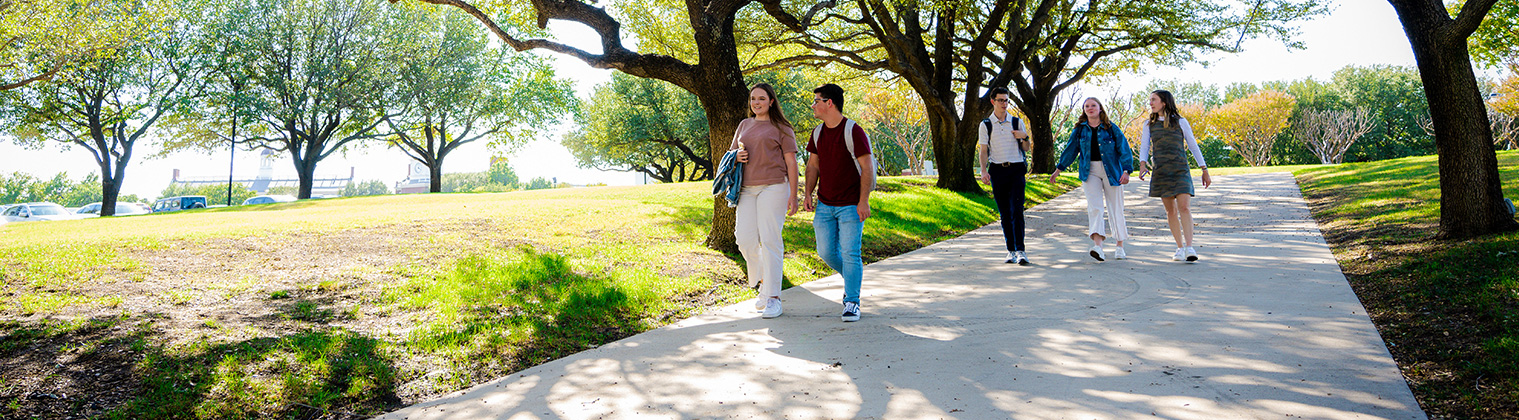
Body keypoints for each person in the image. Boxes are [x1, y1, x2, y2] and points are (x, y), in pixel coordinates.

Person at [803, 83, 871, 322]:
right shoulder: (818, 133)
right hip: (824, 205)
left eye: (816, 101)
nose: (813, 105)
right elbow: (813, 165)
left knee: (851, 253)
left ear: (828, 103)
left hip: (851, 205)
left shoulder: (854, 131)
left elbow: (867, 168)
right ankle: (854, 277)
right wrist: (808, 193)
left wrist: (864, 201)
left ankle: (852, 301)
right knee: (826, 252)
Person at [732, 83, 800, 319]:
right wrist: (736, 156)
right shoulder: (744, 125)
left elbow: (792, 163)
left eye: (761, 98)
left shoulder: (782, 128)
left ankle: (773, 297)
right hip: (747, 189)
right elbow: (732, 154)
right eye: (753, 99)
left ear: (771, 101)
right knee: (744, 239)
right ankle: (764, 280)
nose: (756, 103)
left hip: (775, 186)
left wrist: (795, 194)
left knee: (771, 240)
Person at [1050, 97, 1134, 261]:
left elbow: (1124, 149)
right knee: (1095, 207)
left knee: (1116, 208)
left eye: (1093, 105)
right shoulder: (1080, 130)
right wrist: (1059, 169)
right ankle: (1098, 247)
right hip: (1090, 171)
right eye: (1087, 106)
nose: (1090, 108)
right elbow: (1070, 150)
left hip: (1112, 171)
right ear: (1084, 110)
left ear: (1100, 108)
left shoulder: (1111, 128)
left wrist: (1127, 170)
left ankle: (1119, 247)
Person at [1136, 89, 1212, 262]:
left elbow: (1193, 145)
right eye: (1150, 100)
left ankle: (1190, 247)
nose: (1150, 103)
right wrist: (1142, 164)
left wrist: (1204, 169)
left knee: (1184, 207)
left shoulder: (1181, 122)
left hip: (1180, 169)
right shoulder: (1148, 124)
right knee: (1171, 211)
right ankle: (1179, 247)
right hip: (1161, 171)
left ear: (1164, 102)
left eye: (1153, 100)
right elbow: (1145, 146)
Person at [977, 87, 1033, 265]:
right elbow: (984, 150)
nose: (1004, 104)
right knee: (1004, 213)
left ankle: (1021, 250)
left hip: (1016, 169)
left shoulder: (1016, 122)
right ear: (993, 101)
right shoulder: (986, 124)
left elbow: (1025, 148)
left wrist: (1025, 137)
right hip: (997, 170)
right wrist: (983, 170)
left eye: (1006, 100)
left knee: (1017, 210)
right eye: (1000, 100)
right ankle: (1011, 250)